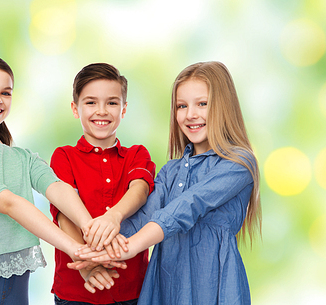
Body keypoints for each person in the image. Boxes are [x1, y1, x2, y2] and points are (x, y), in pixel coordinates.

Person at [75, 61, 262, 305]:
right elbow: (144, 216)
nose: (190, 114)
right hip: (166, 282)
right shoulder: (170, 170)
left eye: (202, 104)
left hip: (212, 285)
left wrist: (129, 247)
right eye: (181, 106)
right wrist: (98, 247)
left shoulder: (238, 163)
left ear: (224, 106)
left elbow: (187, 206)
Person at [0, 53, 94, 304]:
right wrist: (74, 249)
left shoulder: (23, 158)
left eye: (6, 92)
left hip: (17, 280)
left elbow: (57, 188)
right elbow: (10, 204)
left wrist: (90, 228)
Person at [49, 63, 156, 305]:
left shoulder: (137, 154)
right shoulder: (64, 156)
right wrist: (87, 265)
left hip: (131, 288)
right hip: (75, 289)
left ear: (124, 109)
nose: (102, 111)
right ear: (75, 109)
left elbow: (139, 189)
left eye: (112, 102)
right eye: (90, 102)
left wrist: (113, 217)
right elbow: (63, 214)